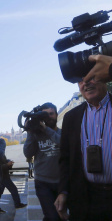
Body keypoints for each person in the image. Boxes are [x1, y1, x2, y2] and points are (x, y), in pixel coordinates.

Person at [55, 78, 112, 220]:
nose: (85, 83)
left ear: (104, 77)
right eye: (80, 81)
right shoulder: (71, 117)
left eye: (92, 77)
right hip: (85, 198)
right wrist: (63, 191)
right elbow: (65, 159)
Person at [23, 102, 61, 221]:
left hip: (63, 182)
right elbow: (28, 154)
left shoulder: (63, 133)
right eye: (45, 114)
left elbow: (64, 144)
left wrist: (45, 129)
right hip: (43, 182)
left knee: (62, 215)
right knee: (52, 216)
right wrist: (30, 132)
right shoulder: (36, 135)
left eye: (51, 114)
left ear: (56, 115)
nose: (49, 117)